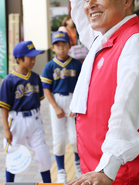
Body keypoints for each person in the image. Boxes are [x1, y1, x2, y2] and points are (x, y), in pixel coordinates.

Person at [58, 0, 139, 185]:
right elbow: (83, 21)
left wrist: (107, 168)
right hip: (100, 171)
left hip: (120, 174)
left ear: (126, 0)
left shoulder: (134, 42)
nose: (90, 4)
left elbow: (125, 109)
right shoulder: (105, 39)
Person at [0, 40, 52, 184]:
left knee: (42, 154)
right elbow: (4, 107)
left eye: (34, 57)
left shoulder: (35, 77)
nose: (33, 60)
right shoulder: (9, 80)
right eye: (29, 57)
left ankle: (48, 183)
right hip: (16, 120)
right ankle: (10, 183)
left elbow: (38, 101)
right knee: (14, 155)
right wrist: (6, 130)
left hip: (34, 119)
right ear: (19, 59)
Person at [41, 30, 82, 183]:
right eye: (58, 45)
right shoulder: (50, 66)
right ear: (53, 48)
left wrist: (76, 105)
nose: (61, 48)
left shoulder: (76, 63)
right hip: (57, 101)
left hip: (73, 100)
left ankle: (78, 167)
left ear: (69, 46)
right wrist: (55, 107)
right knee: (59, 140)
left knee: (75, 138)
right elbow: (46, 89)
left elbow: (82, 87)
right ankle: (61, 170)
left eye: (64, 44)